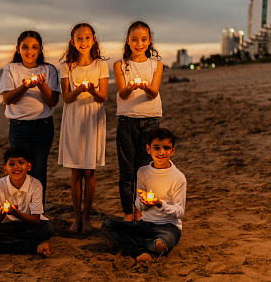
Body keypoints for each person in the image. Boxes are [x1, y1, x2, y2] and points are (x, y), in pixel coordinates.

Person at [102, 128, 186, 265]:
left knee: (161, 244)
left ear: (173, 150)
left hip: (168, 228)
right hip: (145, 225)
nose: (161, 152)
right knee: (107, 225)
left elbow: (179, 212)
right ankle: (141, 251)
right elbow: (138, 205)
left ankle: (131, 244)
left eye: (166, 148)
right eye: (156, 148)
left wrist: (159, 204)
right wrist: (143, 202)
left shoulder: (178, 178)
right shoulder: (143, 172)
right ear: (148, 149)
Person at [58, 23, 109, 234]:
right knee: (76, 171)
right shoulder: (67, 67)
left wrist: (92, 90)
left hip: (93, 118)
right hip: (74, 118)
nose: (83, 42)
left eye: (87, 38)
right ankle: (76, 219)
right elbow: (67, 98)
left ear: (93, 39)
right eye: (79, 38)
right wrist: (79, 90)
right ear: (73, 42)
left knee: (90, 171)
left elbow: (103, 97)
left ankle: (87, 218)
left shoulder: (100, 65)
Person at [0, 31, 60, 203]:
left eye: (34, 47)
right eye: (25, 47)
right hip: (19, 127)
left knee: (39, 169)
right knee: (19, 170)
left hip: (43, 126)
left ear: (40, 49)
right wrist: (25, 86)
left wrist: (41, 84)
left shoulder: (48, 70)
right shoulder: (11, 69)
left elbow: (53, 101)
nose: (29, 51)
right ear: (18, 49)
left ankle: (37, 210)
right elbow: (8, 99)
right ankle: (21, 207)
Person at [114, 20, 164, 221]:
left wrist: (144, 87)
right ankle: (127, 212)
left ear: (149, 40)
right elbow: (123, 94)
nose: (139, 43)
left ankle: (139, 211)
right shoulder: (121, 65)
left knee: (144, 170)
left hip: (151, 120)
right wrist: (132, 87)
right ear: (128, 40)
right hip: (127, 120)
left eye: (143, 39)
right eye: (134, 39)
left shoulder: (156, 65)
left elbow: (154, 93)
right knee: (127, 170)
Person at [0, 147, 55, 257]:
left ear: (28, 166)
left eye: (21, 162)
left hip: (29, 226)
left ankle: (0, 247)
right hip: (9, 227)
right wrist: (2, 213)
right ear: (5, 169)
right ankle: (34, 247)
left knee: (49, 228)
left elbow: (35, 220)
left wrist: (16, 213)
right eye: (11, 164)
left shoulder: (35, 185)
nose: (16, 167)